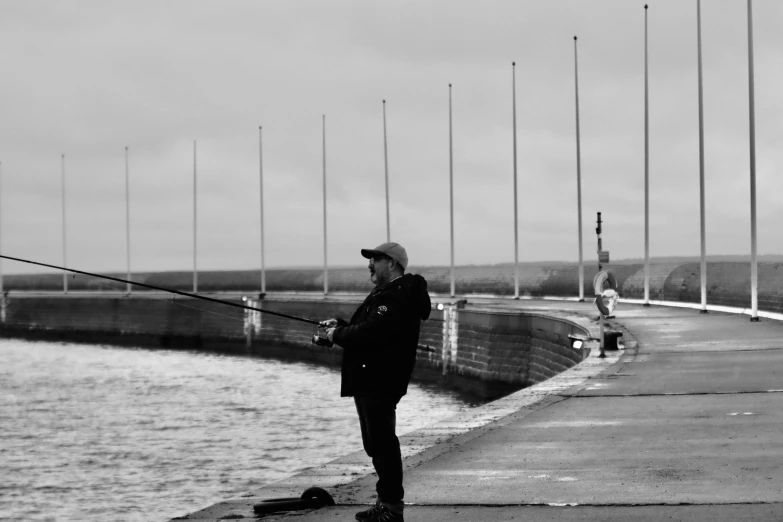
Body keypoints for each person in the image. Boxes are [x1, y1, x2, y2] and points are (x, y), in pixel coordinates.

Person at [321, 242, 431, 522]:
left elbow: (371, 334)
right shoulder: (387, 293)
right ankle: (385, 503)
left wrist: (337, 335)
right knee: (375, 443)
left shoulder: (396, 296)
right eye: (370, 260)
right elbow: (369, 328)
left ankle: (392, 508)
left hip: (380, 378)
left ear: (392, 263)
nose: (370, 264)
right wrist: (339, 326)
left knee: (382, 442)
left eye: (376, 259)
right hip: (372, 376)